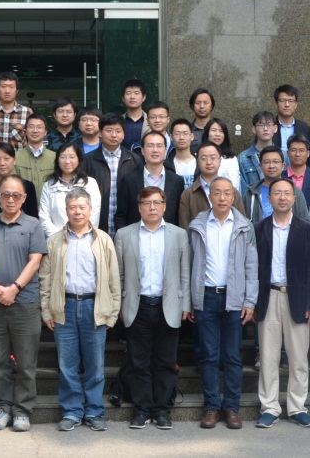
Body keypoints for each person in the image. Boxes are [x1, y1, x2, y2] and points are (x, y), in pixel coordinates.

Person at [41, 187, 120, 432]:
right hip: (64, 307)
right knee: (67, 365)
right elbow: (45, 279)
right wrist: (47, 311)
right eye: (72, 207)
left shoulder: (103, 240)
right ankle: (72, 411)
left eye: (82, 207)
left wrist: (112, 313)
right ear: (66, 211)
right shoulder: (54, 241)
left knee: (95, 365)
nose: (77, 212)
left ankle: (94, 411)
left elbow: (114, 279)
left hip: (94, 307)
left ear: (90, 210)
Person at [115, 186, 191, 430]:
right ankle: (141, 409)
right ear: (139, 207)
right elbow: (119, 274)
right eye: (146, 203)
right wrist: (119, 304)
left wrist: (186, 304)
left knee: (166, 362)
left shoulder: (178, 235)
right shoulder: (124, 235)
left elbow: (185, 273)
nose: (152, 208)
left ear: (165, 206)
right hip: (137, 305)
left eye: (157, 203)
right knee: (138, 361)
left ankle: (162, 410)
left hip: (168, 305)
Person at [0, 176, 48, 432]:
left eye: (16, 195)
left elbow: (35, 261)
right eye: (6, 194)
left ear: (24, 198)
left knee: (26, 362)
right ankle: (2, 407)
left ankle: (22, 410)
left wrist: (14, 288)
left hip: (25, 303)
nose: (10, 199)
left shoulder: (33, 225)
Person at [187, 177, 257, 430]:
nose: (222, 198)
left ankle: (232, 408)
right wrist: (191, 300)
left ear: (233, 197)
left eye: (227, 193)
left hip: (234, 297)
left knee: (232, 356)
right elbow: (189, 264)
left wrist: (250, 300)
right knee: (209, 357)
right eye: (217, 193)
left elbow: (251, 265)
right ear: (210, 196)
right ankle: (212, 407)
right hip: (206, 297)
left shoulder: (244, 226)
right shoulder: (197, 226)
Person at [253, 178, 310, 429]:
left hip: (298, 299)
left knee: (298, 358)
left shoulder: (307, 229)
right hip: (268, 297)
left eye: (287, 193)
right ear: (269, 198)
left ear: (294, 198)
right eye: (277, 193)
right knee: (268, 357)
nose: (282, 197)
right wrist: (252, 302)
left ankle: (297, 407)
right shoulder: (259, 228)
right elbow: (253, 268)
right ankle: (269, 407)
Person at [84, 113, 143, 233]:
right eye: (109, 130)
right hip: (96, 224)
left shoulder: (134, 160)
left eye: (118, 131)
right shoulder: (88, 160)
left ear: (124, 134)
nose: (114, 135)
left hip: (127, 225)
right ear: (100, 133)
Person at [114, 132, 183, 229]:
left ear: (165, 151)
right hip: (135, 235)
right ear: (142, 151)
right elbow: (121, 216)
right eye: (150, 146)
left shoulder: (177, 181)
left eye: (159, 146)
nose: (155, 150)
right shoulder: (129, 180)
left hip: (167, 235)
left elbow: (179, 216)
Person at [39, 142, 102, 237]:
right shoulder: (48, 186)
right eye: (63, 157)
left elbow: (94, 214)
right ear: (57, 160)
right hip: (56, 240)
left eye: (72, 157)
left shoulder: (90, 184)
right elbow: (44, 217)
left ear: (79, 160)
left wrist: (81, 236)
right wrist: (59, 238)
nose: (67, 161)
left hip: (85, 238)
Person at [178, 143, 247, 228]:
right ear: (197, 161)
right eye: (204, 158)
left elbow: (242, 223)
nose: (209, 162)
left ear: (220, 160)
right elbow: (184, 227)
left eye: (213, 158)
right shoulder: (188, 195)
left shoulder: (232, 192)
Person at [244, 146, 310, 223]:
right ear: (260, 166)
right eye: (266, 162)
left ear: (283, 166)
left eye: (276, 162)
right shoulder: (250, 194)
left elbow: (305, 221)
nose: (271, 166)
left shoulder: (295, 191)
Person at [0, 72, 33, 150]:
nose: (7, 91)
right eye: (4, 86)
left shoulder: (27, 113)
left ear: (17, 90)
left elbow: (33, 141)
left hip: (19, 158)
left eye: (11, 87)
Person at [238, 112, 279, 193]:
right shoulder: (243, 158)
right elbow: (243, 190)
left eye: (269, 124)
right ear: (254, 129)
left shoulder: (284, 156)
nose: (265, 128)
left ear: (275, 128)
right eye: (261, 125)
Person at [15, 114, 56, 195]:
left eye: (39, 127)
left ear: (45, 132)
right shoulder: (15, 157)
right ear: (25, 131)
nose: (35, 130)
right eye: (31, 127)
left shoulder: (55, 157)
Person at [200, 119, 242, 188]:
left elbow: (235, 185)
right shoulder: (199, 156)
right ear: (207, 133)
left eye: (221, 131)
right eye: (214, 130)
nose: (217, 134)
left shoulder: (231, 159)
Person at [273, 84, 310, 152]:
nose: (287, 105)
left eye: (291, 101)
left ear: (296, 105)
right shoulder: (269, 127)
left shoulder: (305, 128)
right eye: (282, 100)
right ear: (276, 104)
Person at [165, 119, 197, 187]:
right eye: (177, 134)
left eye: (185, 134)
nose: (181, 137)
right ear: (171, 137)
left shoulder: (200, 163)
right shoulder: (166, 165)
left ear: (192, 136)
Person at [120, 78, 150, 150]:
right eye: (128, 93)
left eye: (136, 93)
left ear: (144, 97)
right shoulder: (118, 121)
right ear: (123, 98)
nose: (132, 97)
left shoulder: (151, 121)